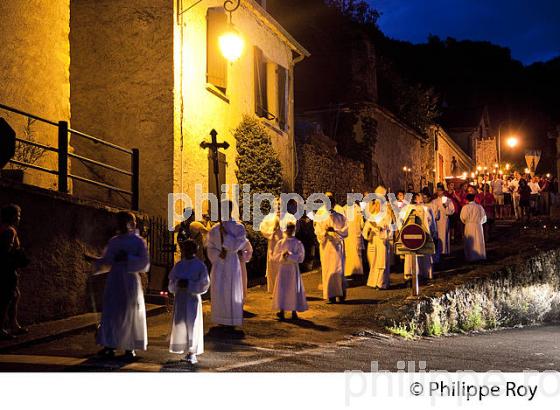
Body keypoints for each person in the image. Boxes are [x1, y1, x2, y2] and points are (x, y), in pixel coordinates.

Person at [95, 211, 150, 360]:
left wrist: (128, 258)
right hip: (115, 279)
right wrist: (97, 261)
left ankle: (129, 346)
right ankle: (110, 345)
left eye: (125, 221)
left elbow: (144, 262)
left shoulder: (138, 242)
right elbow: (107, 259)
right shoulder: (114, 241)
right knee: (112, 311)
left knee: (129, 312)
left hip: (130, 279)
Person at [207, 201, 248, 329]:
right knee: (220, 290)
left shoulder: (238, 227)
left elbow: (240, 243)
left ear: (231, 209)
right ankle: (220, 318)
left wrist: (226, 237)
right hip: (219, 264)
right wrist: (218, 254)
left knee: (231, 290)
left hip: (231, 262)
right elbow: (210, 246)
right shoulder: (215, 229)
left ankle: (231, 319)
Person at [168, 239, 210, 364]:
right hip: (180, 298)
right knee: (180, 323)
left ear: (194, 250)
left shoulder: (200, 265)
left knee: (192, 324)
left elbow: (204, 284)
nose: (186, 252)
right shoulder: (179, 265)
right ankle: (183, 348)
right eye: (184, 249)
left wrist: (190, 284)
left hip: (192, 299)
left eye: (188, 249)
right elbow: (171, 283)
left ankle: (192, 352)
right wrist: (177, 284)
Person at [0, 204, 29, 340]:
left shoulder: (4, 229)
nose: (19, 218)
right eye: (17, 215)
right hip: (7, 270)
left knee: (15, 295)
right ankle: (3, 327)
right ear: (11, 216)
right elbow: (6, 251)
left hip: (7, 269)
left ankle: (14, 324)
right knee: (7, 298)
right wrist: (17, 256)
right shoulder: (10, 231)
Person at [314, 192, 348, 304]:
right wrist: (325, 232)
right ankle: (330, 295)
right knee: (328, 270)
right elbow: (317, 231)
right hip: (326, 247)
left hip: (337, 248)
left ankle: (340, 293)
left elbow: (345, 231)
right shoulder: (321, 217)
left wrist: (335, 231)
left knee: (338, 270)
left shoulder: (340, 217)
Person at [272, 222, 308, 321]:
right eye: (288, 228)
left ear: (294, 230)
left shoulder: (297, 243)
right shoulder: (280, 243)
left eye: (291, 229)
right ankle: (282, 310)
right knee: (282, 288)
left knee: (293, 288)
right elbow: (274, 256)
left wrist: (290, 255)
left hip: (293, 269)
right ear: (285, 229)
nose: (290, 231)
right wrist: (282, 255)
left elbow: (301, 257)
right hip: (283, 269)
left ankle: (294, 311)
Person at [259, 201, 297, 293]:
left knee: (285, 267)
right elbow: (262, 229)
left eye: (280, 204)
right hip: (273, 246)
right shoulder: (269, 218)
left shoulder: (290, 217)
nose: (279, 206)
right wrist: (272, 230)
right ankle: (275, 291)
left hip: (285, 247)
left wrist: (283, 230)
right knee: (274, 268)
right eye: (277, 204)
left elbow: (293, 230)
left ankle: (287, 290)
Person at [402, 193, 437, 282]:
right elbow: (402, 220)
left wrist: (432, 231)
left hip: (421, 234)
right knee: (412, 254)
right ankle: (412, 273)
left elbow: (431, 221)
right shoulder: (408, 208)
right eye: (418, 197)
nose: (420, 198)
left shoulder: (426, 208)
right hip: (412, 234)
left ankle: (423, 272)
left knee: (422, 254)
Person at [363, 200, 391, 289]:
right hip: (372, 241)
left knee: (381, 262)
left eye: (380, 204)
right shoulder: (371, 217)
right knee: (373, 262)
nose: (378, 206)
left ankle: (381, 283)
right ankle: (373, 282)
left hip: (382, 241)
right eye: (376, 204)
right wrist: (369, 233)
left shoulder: (386, 216)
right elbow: (364, 230)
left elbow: (389, 230)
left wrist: (382, 230)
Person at [460, 193, 487, 262]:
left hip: (469, 226)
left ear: (466, 199)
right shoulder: (479, 207)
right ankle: (480, 255)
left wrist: (467, 222)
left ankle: (470, 256)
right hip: (478, 226)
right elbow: (484, 217)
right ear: (474, 198)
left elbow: (463, 217)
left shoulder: (465, 207)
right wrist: (480, 222)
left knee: (470, 241)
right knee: (478, 241)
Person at [431, 183, 455, 259]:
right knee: (437, 235)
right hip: (436, 221)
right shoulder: (434, 201)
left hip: (444, 220)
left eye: (440, 190)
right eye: (438, 190)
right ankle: (438, 250)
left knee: (444, 235)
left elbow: (452, 210)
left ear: (443, 191)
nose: (439, 192)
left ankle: (444, 251)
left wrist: (446, 207)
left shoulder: (448, 200)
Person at [343, 198, 364, 278]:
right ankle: (354, 271)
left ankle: (354, 271)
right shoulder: (355, 209)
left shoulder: (355, 209)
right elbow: (362, 223)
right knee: (353, 252)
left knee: (353, 253)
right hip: (351, 234)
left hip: (352, 234)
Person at [238, 238, 253, 304]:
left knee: (241, 281)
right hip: (230, 264)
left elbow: (249, 251)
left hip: (240, 264)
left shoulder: (245, 241)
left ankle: (241, 300)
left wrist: (243, 254)